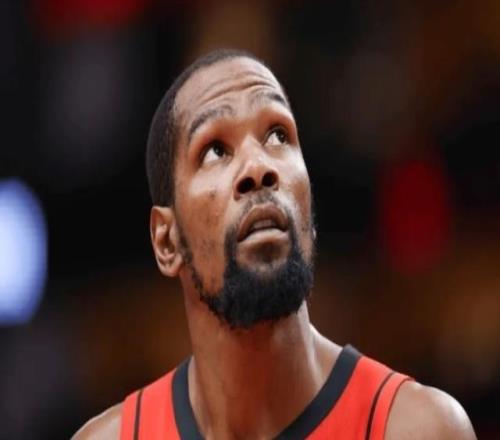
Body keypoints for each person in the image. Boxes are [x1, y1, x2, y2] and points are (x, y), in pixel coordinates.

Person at [73, 49, 476, 439]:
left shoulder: (418, 429)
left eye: (278, 135)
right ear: (167, 241)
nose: (258, 167)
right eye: (215, 151)